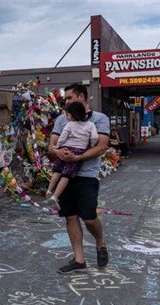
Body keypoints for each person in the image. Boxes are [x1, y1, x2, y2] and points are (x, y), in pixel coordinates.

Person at [48, 83, 110, 273]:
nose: (66, 102)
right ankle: (79, 259)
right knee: (71, 216)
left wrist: (78, 157)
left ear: (82, 97)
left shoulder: (99, 119)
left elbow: (101, 146)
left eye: (69, 98)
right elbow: (52, 145)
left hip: (87, 175)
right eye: (65, 99)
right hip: (66, 173)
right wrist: (60, 152)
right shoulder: (62, 119)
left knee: (89, 217)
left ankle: (100, 243)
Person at [46, 101, 98, 209]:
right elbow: (94, 137)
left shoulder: (69, 125)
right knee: (66, 176)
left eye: (67, 115)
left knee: (57, 171)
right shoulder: (90, 125)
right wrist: (91, 145)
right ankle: (55, 197)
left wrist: (58, 147)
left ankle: (49, 190)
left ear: (73, 114)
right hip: (77, 152)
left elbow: (62, 137)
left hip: (64, 148)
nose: (66, 117)